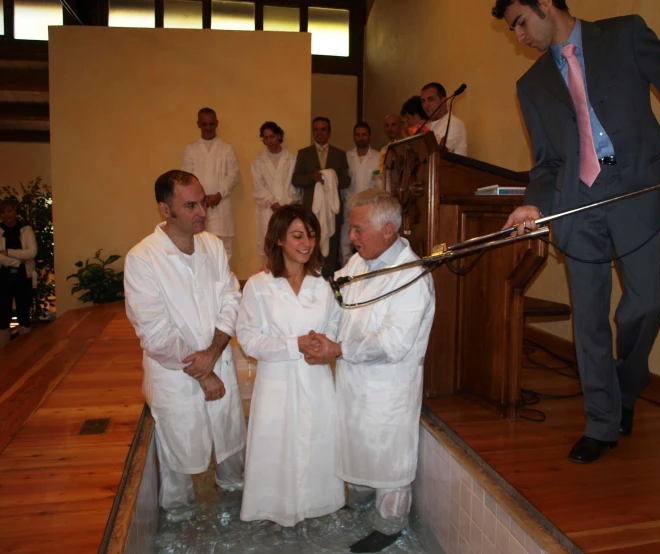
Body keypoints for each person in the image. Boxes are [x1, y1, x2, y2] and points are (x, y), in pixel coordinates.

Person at [492, 0, 660, 463]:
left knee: (645, 305)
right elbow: (546, 162)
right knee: (590, 320)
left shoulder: (625, 35)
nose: (518, 36)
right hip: (576, 204)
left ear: (544, 5)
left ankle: (625, 386)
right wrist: (532, 203)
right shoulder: (531, 84)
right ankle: (602, 420)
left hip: (634, 190)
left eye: (520, 22)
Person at [304, 189, 436, 553]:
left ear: (389, 230)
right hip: (354, 380)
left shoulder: (412, 275)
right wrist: (323, 336)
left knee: (388, 455)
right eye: (352, 228)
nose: (352, 237)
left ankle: (391, 524)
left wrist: (339, 349)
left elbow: (393, 343)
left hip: (388, 387)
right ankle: (361, 501)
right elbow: (337, 303)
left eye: (359, 229)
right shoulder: (360, 261)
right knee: (356, 442)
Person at [124, 170, 246, 512]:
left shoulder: (212, 245)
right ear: (166, 210)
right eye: (190, 205)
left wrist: (213, 353)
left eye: (202, 202)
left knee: (231, 454)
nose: (202, 213)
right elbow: (155, 333)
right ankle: (180, 524)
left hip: (217, 361)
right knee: (179, 472)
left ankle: (237, 514)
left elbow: (231, 298)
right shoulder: (143, 259)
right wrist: (203, 372)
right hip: (176, 377)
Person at [236, 204, 344, 527]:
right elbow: (248, 340)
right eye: (297, 236)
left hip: (315, 380)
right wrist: (292, 344)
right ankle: (274, 507)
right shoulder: (259, 285)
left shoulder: (322, 284)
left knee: (316, 440)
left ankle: (317, 504)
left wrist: (325, 347)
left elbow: (337, 325)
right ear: (279, 238)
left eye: (311, 236)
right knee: (277, 444)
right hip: (277, 383)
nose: (306, 244)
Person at [292, 116, 350, 277]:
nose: (319, 133)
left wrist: (331, 178)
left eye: (323, 129)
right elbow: (296, 179)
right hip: (311, 210)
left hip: (332, 210)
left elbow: (346, 181)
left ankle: (331, 281)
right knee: (311, 244)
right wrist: (313, 177)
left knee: (332, 247)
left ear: (329, 132)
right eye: (316, 129)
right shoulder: (304, 154)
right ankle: (310, 279)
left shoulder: (339, 154)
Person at [182, 107, 241, 261]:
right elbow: (187, 177)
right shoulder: (191, 149)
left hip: (221, 204)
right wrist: (202, 198)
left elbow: (233, 175)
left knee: (223, 251)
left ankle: (223, 284)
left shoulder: (227, 148)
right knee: (199, 248)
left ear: (216, 123)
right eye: (205, 124)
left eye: (211, 124)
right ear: (198, 124)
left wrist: (219, 194)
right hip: (198, 205)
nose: (208, 128)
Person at [251, 121, 300, 258]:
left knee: (288, 245)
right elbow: (258, 188)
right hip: (267, 210)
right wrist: (273, 203)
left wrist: (284, 204)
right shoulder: (258, 161)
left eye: (272, 136)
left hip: (287, 208)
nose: (269, 141)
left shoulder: (291, 159)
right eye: (265, 138)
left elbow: (295, 185)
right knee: (269, 247)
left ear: (279, 136)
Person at [342, 122, 381, 264]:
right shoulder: (346, 157)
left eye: (364, 134)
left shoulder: (378, 157)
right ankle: (346, 273)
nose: (361, 137)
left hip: (369, 208)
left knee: (367, 240)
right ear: (354, 136)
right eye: (358, 135)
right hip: (349, 206)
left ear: (369, 136)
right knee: (346, 241)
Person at [0, 199, 37, 347]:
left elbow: (32, 252)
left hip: (23, 275)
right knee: (3, 311)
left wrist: (9, 252)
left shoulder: (26, 230)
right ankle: (3, 347)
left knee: (23, 309)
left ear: (15, 211)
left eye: (9, 210)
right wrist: (17, 261)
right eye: (2, 212)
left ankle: (25, 346)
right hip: (3, 275)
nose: (7, 214)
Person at [420, 82, 468, 156]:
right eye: (423, 101)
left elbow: (438, 153)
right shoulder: (426, 127)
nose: (426, 105)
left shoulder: (454, 123)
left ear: (443, 100)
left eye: (431, 99)